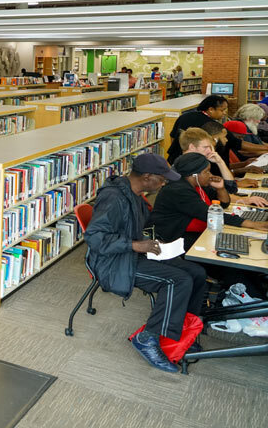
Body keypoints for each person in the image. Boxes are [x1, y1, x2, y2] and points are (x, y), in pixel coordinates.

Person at [84, 153, 206, 373]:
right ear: (148, 177)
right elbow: (94, 237)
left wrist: (149, 243)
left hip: (131, 254)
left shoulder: (137, 194)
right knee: (177, 281)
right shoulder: (114, 198)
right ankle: (147, 338)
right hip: (114, 263)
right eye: (162, 178)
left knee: (196, 272)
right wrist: (134, 245)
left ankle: (185, 332)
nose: (164, 182)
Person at [149, 152, 268, 249]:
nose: (210, 175)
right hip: (175, 238)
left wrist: (220, 188)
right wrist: (253, 224)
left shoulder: (198, 184)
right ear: (194, 174)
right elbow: (209, 214)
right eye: (206, 171)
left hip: (196, 232)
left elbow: (224, 204)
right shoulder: (178, 190)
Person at [166, 95, 268, 163]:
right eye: (222, 110)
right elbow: (237, 143)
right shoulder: (212, 125)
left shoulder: (185, 116)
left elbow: (172, 137)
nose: (224, 113)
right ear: (210, 109)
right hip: (192, 162)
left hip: (176, 159)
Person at [177, 126, 268, 203]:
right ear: (192, 147)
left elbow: (231, 188)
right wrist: (244, 200)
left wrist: (220, 162)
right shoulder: (184, 170)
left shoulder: (200, 165)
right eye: (205, 147)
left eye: (210, 147)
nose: (210, 151)